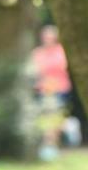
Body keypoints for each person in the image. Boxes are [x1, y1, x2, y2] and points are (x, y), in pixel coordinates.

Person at [30, 25, 73, 161]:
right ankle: (50, 146)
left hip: (60, 89)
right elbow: (34, 73)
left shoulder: (62, 52)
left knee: (54, 119)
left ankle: (51, 146)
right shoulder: (37, 53)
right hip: (43, 91)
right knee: (46, 120)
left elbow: (65, 69)